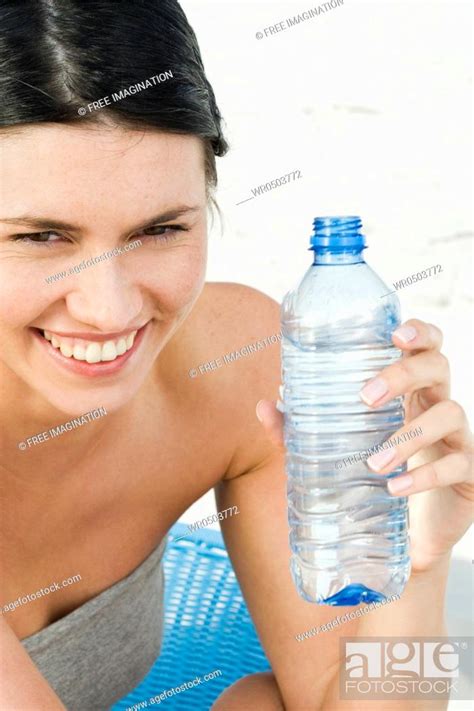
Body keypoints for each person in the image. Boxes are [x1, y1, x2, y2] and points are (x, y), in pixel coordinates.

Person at [0, 1, 472, 709]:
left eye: (160, 229)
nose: (110, 308)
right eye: (41, 237)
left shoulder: (235, 366)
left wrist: (417, 561)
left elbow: (374, 701)